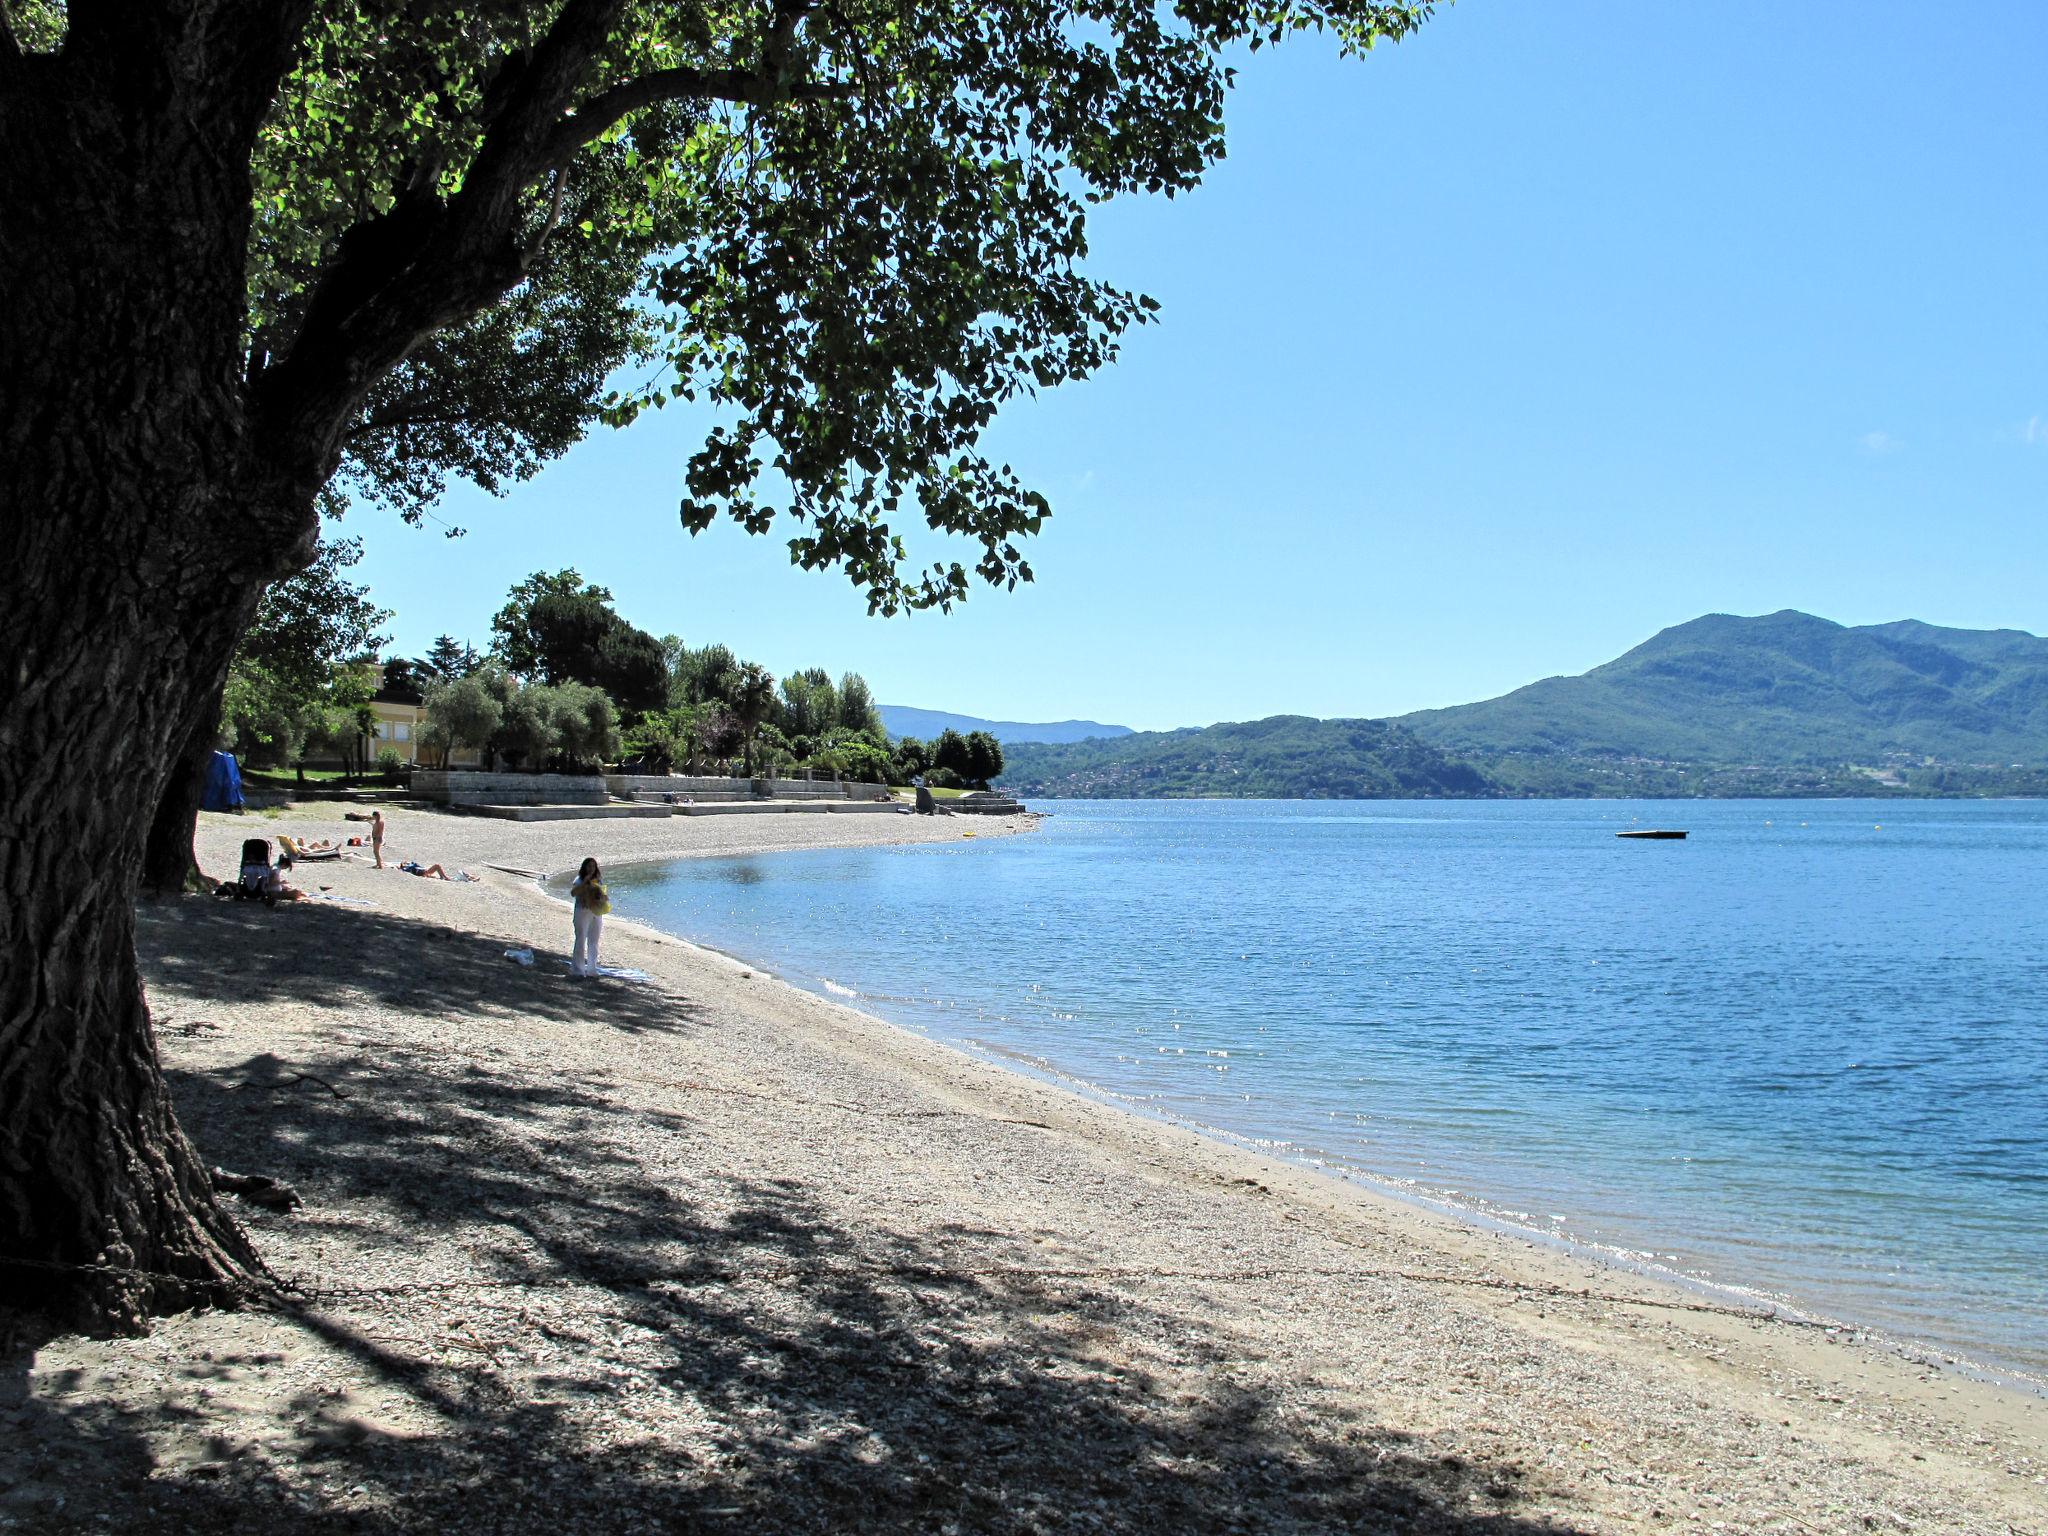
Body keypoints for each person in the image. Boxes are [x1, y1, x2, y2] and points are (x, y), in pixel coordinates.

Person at [568, 857, 611, 977]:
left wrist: (602, 897)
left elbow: (604, 896)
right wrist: (585, 882)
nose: (591, 868)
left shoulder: (598, 881)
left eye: (593, 866)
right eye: (589, 866)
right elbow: (573, 893)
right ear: (584, 867)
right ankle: (578, 970)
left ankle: (592, 969)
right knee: (580, 939)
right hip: (582, 911)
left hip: (596, 912)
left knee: (594, 941)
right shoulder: (579, 879)